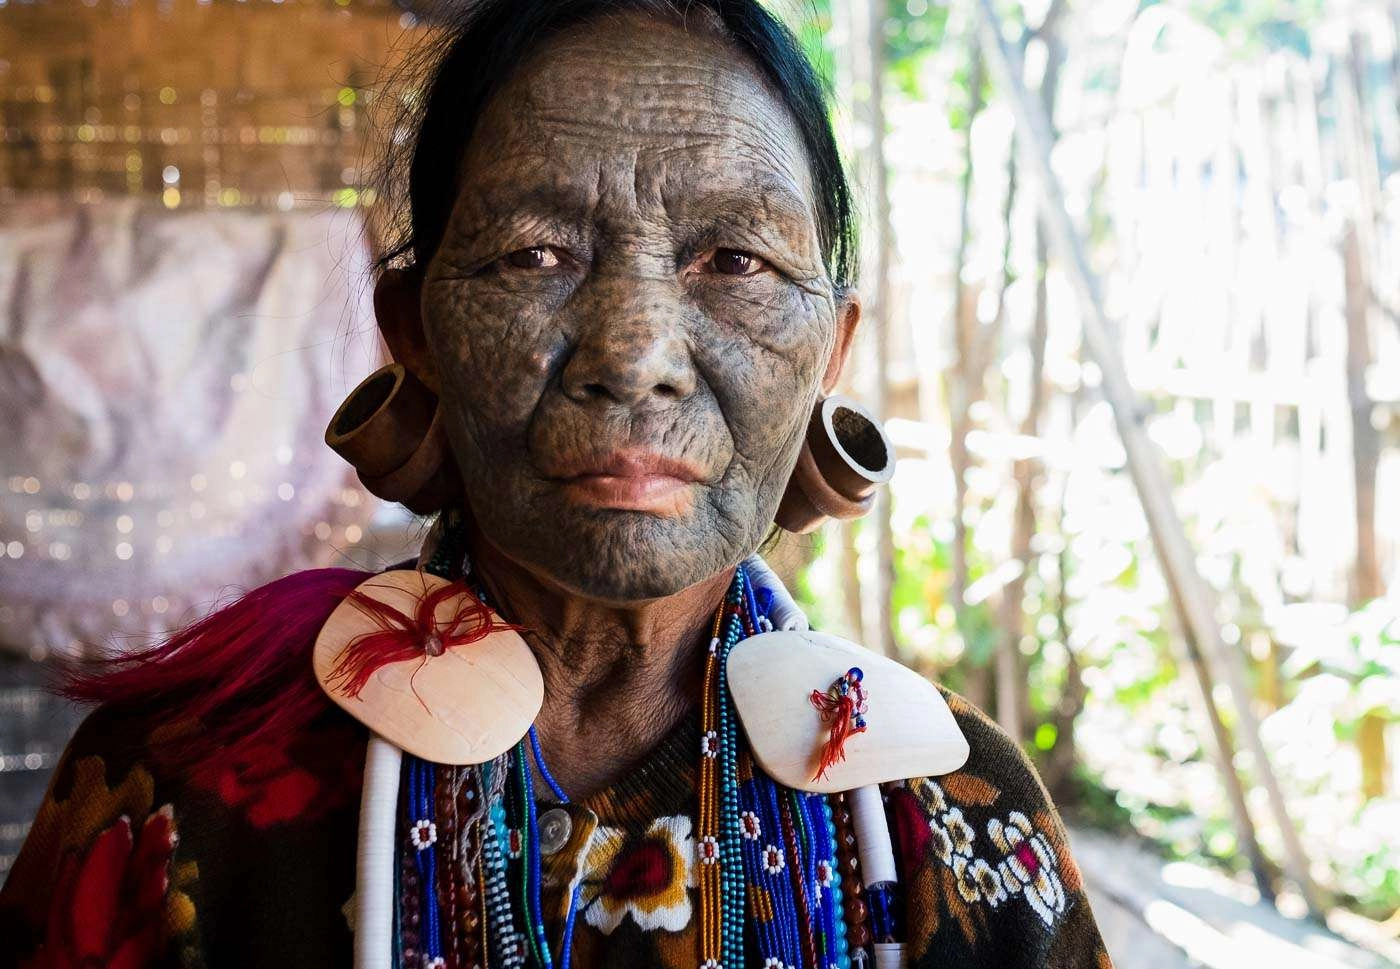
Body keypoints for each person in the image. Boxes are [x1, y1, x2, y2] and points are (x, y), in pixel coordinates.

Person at [0, 2, 1113, 967]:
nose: (633, 353)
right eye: (534, 254)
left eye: (735, 261)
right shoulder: (181, 790)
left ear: (830, 351)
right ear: (414, 335)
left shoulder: (950, 817)